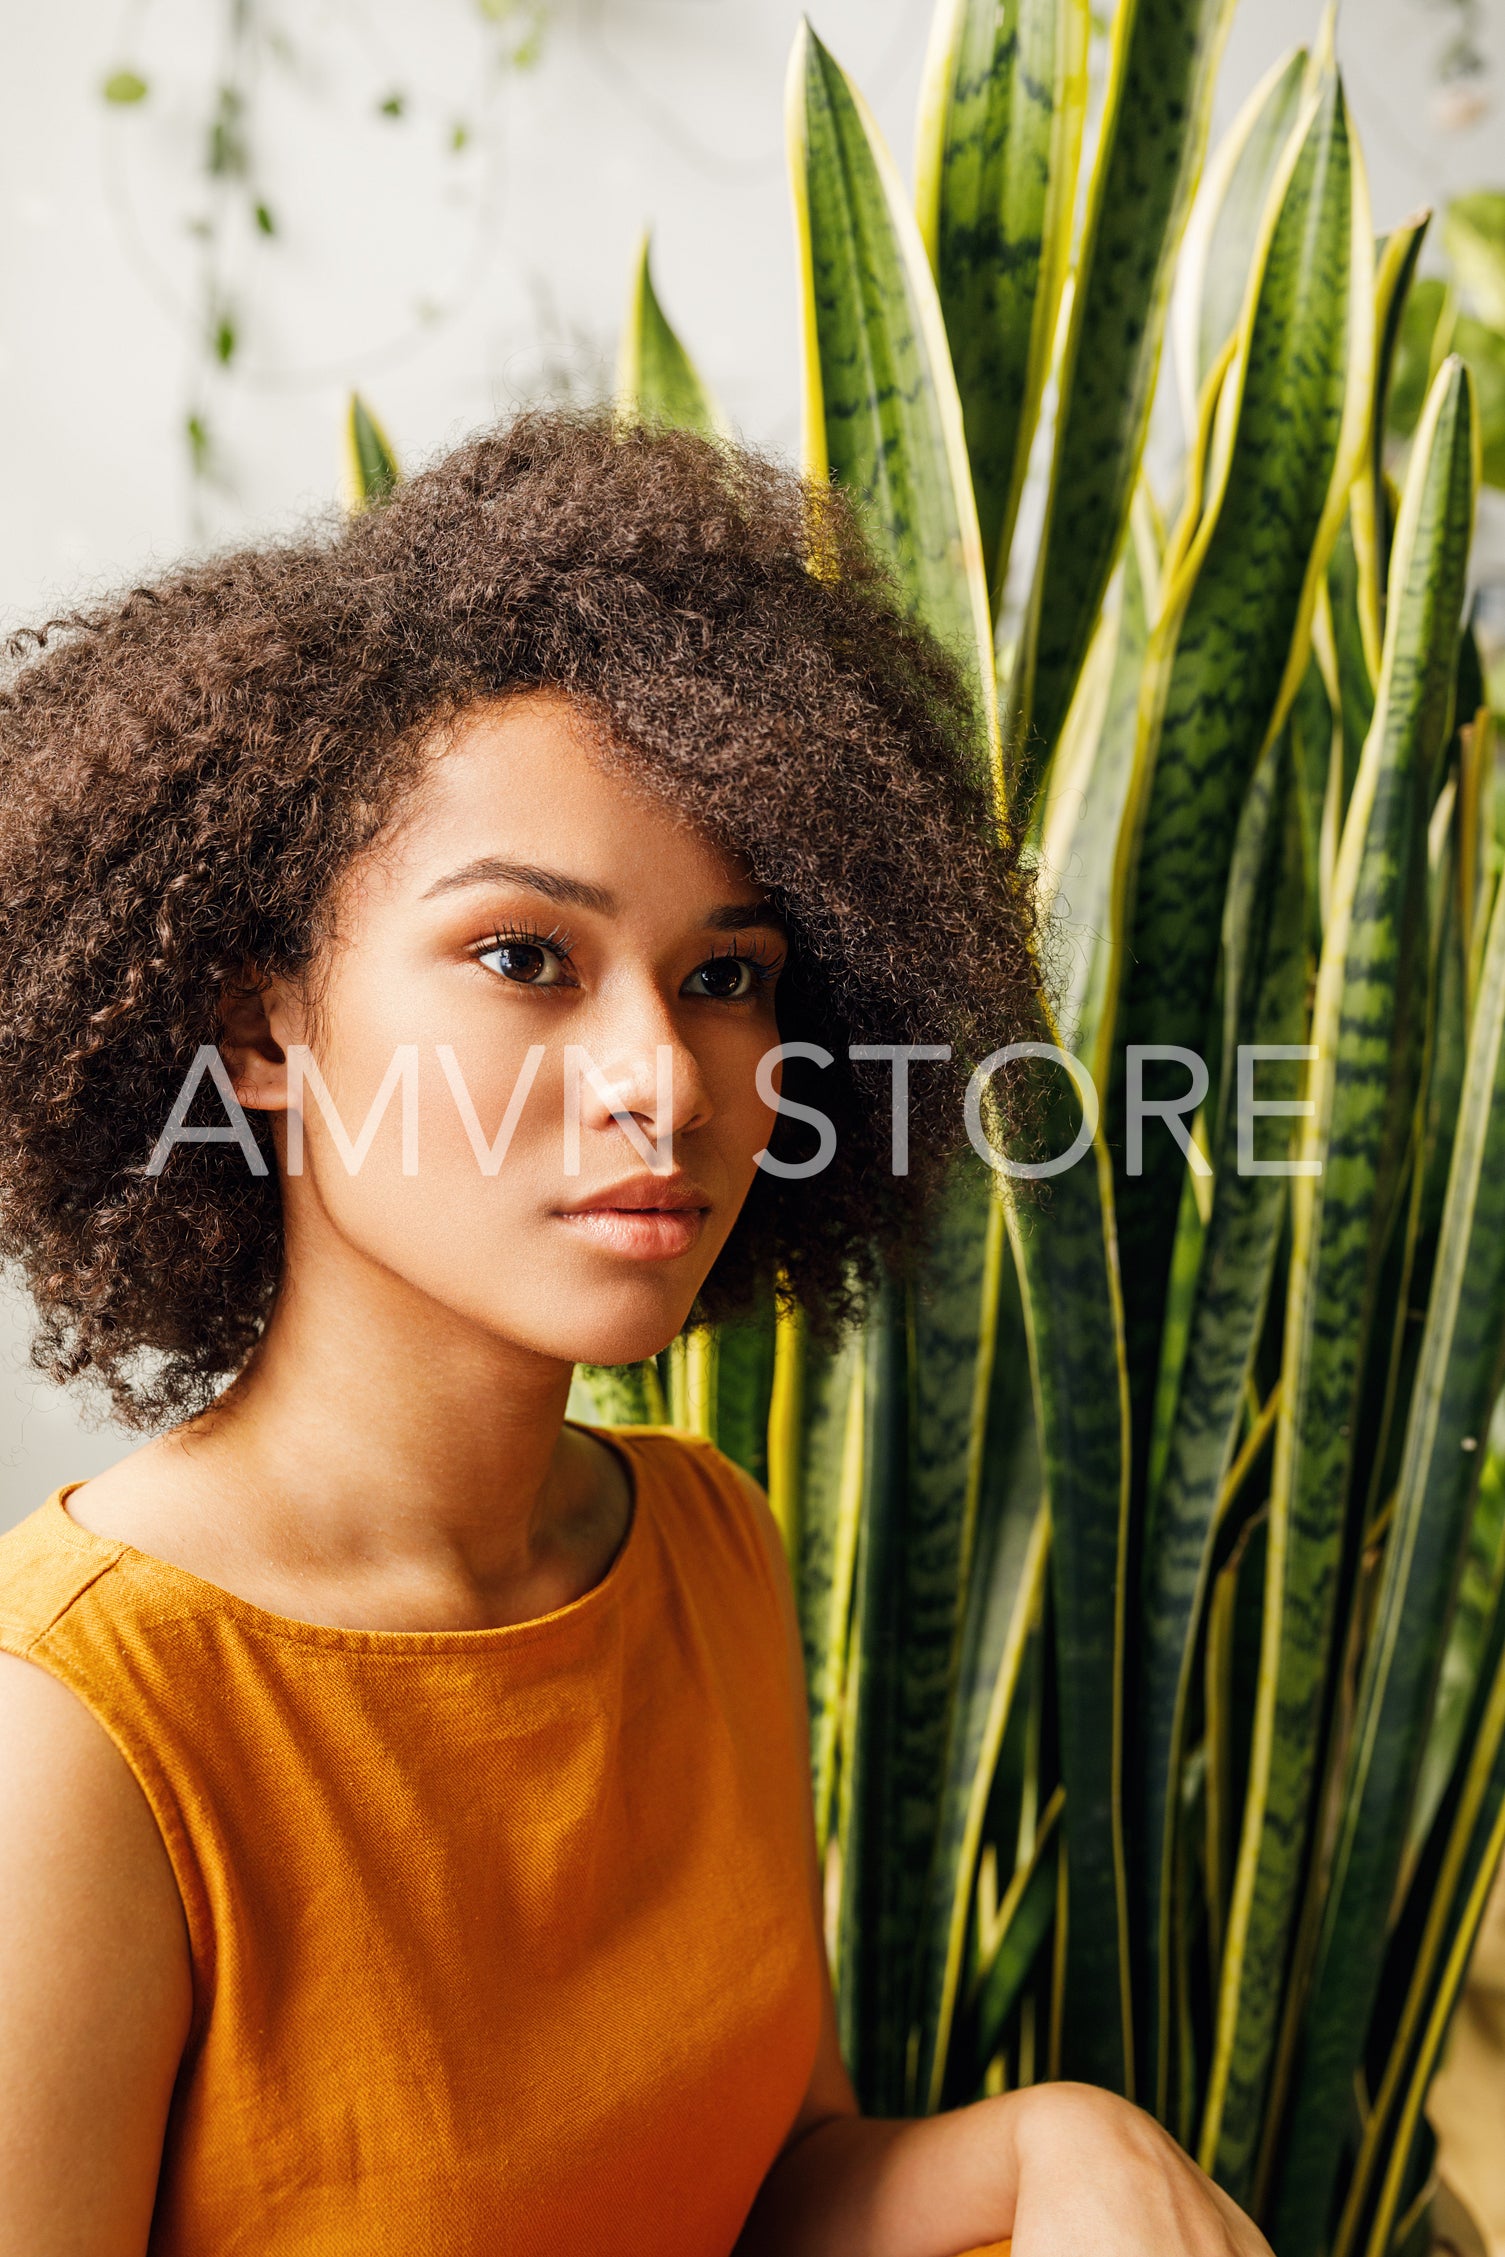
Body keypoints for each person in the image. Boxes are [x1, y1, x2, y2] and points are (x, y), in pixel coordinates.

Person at [0, 412, 1269, 2257]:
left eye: (726, 977)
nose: (664, 1081)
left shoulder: (696, 1549)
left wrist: (1053, 2145)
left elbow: (757, 2197)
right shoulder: (81, 1742)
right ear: (263, 1030)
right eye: (525, 956)